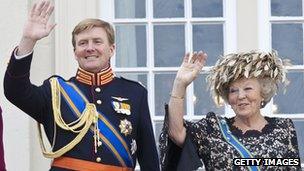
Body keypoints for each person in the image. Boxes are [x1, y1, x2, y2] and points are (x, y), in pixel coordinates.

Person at [4, 0, 159, 170]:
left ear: (112, 49)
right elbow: (15, 91)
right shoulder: (56, 92)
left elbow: (149, 158)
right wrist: (28, 39)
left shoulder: (135, 93)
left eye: (97, 42)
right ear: (75, 53)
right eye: (83, 43)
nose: (90, 48)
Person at [159, 51, 301, 170]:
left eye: (248, 88)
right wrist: (180, 84)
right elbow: (176, 132)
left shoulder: (284, 129)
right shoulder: (213, 129)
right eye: (233, 91)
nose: (240, 96)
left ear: (263, 92)